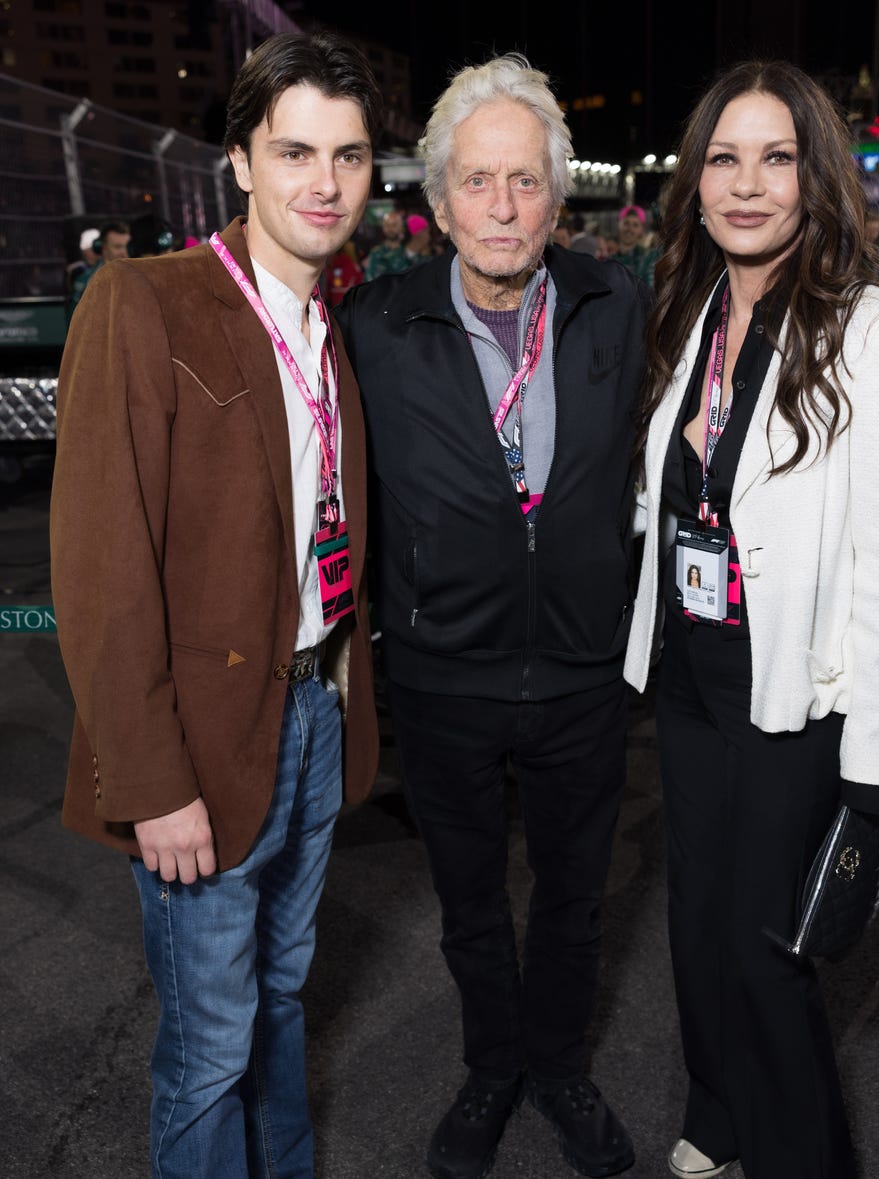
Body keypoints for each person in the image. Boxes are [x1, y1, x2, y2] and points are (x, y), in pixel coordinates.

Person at [50, 31, 381, 1178]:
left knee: (282, 1002)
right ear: (238, 162)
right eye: (294, 151)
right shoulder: (145, 301)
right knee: (208, 1051)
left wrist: (335, 706)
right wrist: (150, 782)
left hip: (313, 719)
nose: (322, 182)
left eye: (346, 155)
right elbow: (100, 569)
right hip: (199, 749)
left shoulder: (329, 325)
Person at [624, 60, 879, 1179]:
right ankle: (719, 1116)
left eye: (775, 158)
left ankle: (807, 1157)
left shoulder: (878, 334)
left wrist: (877, 774)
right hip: (689, 675)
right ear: (694, 181)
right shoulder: (685, 308)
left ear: (814, 177)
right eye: (722, 158)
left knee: (767, 954)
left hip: (793, 687)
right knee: (694, 919)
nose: (746, 185)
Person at [335, 52, 647, 1179]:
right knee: (469, 908)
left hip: (579, 674)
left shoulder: (622, 306)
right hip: (442, 677)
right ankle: (489, 1069)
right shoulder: (374, 325)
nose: (502, 208)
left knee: (572, 905)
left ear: (559, 195)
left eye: (524, 182)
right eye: (477, 182)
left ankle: (559, 1068)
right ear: (437, 198)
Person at [66, 218, 130, 321]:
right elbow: (74, 323)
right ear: (103, 248)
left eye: (126, 246)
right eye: (118, 247)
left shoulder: (139, 277)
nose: (124, 253)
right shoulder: (84, 281)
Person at [606, 204, 659, 286]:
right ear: (618, 225)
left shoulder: (648, 258)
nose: (629, 229)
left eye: (635, 225)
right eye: (626, 223)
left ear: (641, 230)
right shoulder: (609, 260)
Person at [363, 207, 413, 279]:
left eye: (394, 225)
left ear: (402, 227)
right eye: (387, 225)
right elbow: (369, 279)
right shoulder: (376, 253)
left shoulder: (410, 251)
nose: (390, 229)